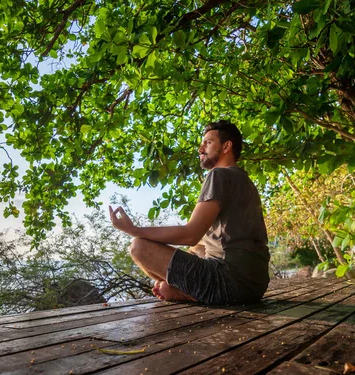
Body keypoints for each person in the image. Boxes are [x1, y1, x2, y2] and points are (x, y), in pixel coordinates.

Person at [109, 120, 270, 304]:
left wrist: (135, 230)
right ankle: (178, 289)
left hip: (228, 283)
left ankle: (185, 293)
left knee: (139, 247)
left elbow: (190, 234)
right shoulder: (245, 182)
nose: (200, 149)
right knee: (197, 249)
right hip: (255, 286)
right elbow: (199, 244)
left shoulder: (219, 175)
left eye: (208, 143)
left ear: (226, 146)